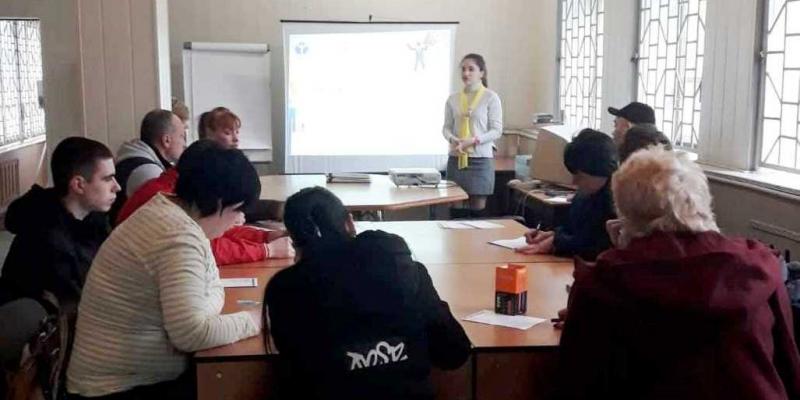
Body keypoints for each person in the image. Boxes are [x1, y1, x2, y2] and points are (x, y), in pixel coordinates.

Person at [557, 148, 800, 399]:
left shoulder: (606, 282)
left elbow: (578, 379)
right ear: (703, 200)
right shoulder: (760, 268)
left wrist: (621, 255)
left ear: (625, 212)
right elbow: (789, 366)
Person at [66, 141, 262, 399]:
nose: (237, 220)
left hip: (131, 379)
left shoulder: (174, 214)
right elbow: (193, 334)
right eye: (237, 210)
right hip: (116, 389)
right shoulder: (177, 236)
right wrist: (258, 318)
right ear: (217, 202)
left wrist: (202, 314)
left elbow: (213, 287)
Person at [264, 187, 471, 399]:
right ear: (350, 222)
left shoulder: (285, 289)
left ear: (293, 241)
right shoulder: (403, 268)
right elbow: (454, 353)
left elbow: (295, 369)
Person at [116, 139, 294, 265]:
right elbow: (211, 249)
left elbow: (218, 231)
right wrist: (267, 250)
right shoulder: (170, 209)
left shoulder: (174, 195)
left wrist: (265, 237)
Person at [0, 137, 119, 310]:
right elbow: (81, 305)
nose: (117, 187)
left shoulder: (93, 219)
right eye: (108, 179)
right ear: (78, 185)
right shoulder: (48, 238)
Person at [516, 129, 618, 260]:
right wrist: (550, 235)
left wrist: (555, 244)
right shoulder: (584, 195)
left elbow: (596, 247)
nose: (574, 181)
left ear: (600, 170)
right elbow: (573, 230)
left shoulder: (618, 202)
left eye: (580, 176)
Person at [442, 53, 503, 218]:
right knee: (455, 210)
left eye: (471, 69)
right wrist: (453, 139)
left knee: (478, 211)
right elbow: (446, 128)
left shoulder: (491, 97)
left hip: (480, 160)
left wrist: (474, 140)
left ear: (481, 73)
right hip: (456, 159)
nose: (466, 73)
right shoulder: (453, 99)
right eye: (463, 69)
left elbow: (497, 130)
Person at [110, 109, 186, 223]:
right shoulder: (148, 172)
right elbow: (165, 219)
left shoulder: (133, 156)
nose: (184, 144)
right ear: (166, 140)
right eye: (182, 136)